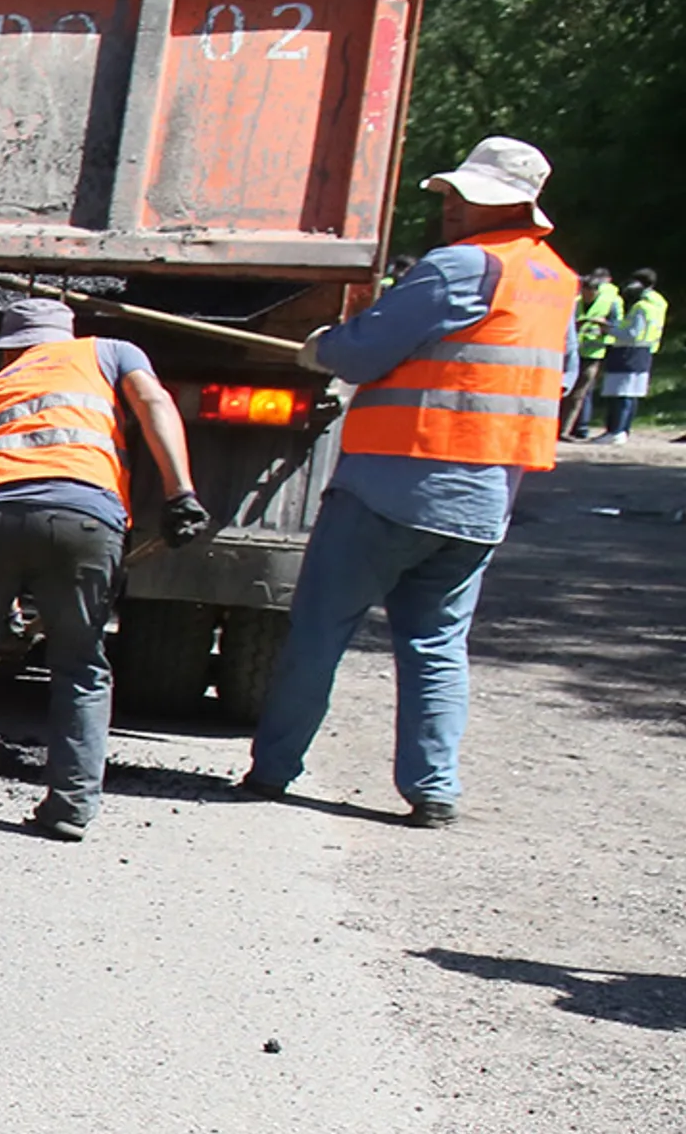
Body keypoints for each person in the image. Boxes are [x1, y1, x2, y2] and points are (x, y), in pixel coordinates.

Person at [242, 136, 576, 824]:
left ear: (514, 203)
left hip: (390, 490)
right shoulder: (556, 280)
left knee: (318, 631)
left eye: (465, 197)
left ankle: (272, 771)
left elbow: (363, 351)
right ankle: (434, 791)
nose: (451, 206)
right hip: (482, 502)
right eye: (452, 194)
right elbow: (556, 377)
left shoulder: (460, 268)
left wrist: (321, 349)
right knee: (437, 645)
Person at [0, 295, 209, 839]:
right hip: (83, 517)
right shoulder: (111, 352)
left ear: (12, 349)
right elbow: (154, 403)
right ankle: (70, 807)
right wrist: (179, 493)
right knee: (80, 663)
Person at [589, 265, 663, 441]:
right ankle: (623, 431)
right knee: (632, 394)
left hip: (629, 352)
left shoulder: (641, 306)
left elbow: (631, 334)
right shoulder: (658, 302)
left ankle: (615, 431)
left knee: (621, 394)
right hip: (645, 351)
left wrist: (608, 329)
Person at [562, 266, 620, 438]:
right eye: (586, 292)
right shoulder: (575, 302)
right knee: (565, 389)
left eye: (591, 292)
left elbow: (616, 326)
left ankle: (566, 429)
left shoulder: (609, 303)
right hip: (572, 351)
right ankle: (562, 427)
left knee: (579, 393)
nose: (588, 295)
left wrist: (603, 326)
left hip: (593, 353)